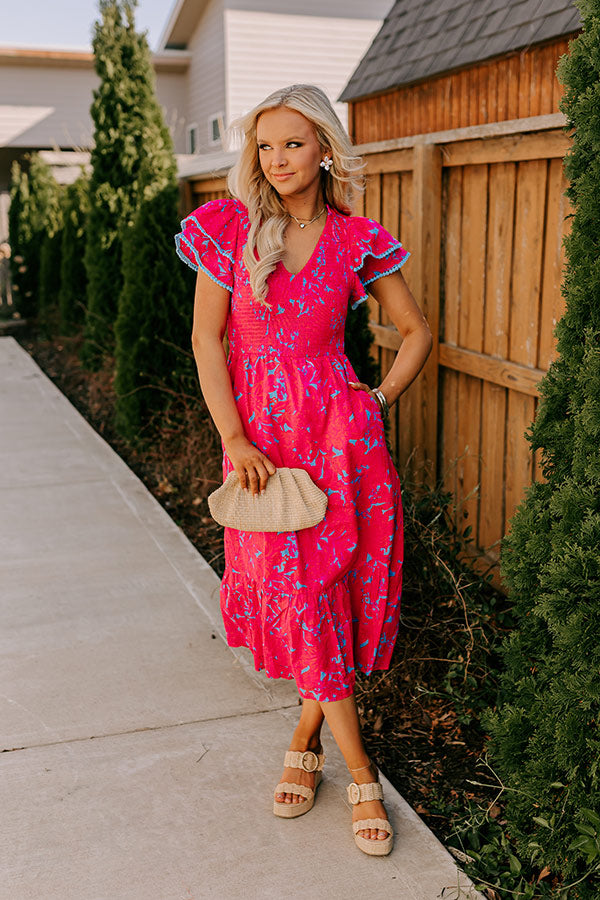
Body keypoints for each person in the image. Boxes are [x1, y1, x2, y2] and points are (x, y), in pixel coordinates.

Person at [174, 84, 432, 857]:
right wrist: (234, 437)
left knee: (330, 595)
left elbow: (418, 332)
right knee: (299, 595)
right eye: (265, 145)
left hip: (341, 447)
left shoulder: (357, 240)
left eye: (292, 143)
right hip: (262, 449)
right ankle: (362, 776)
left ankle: (305, 741)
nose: (276, 159)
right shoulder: (229, 228)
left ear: (323, 147)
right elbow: (206, 341)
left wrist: (374, 401)